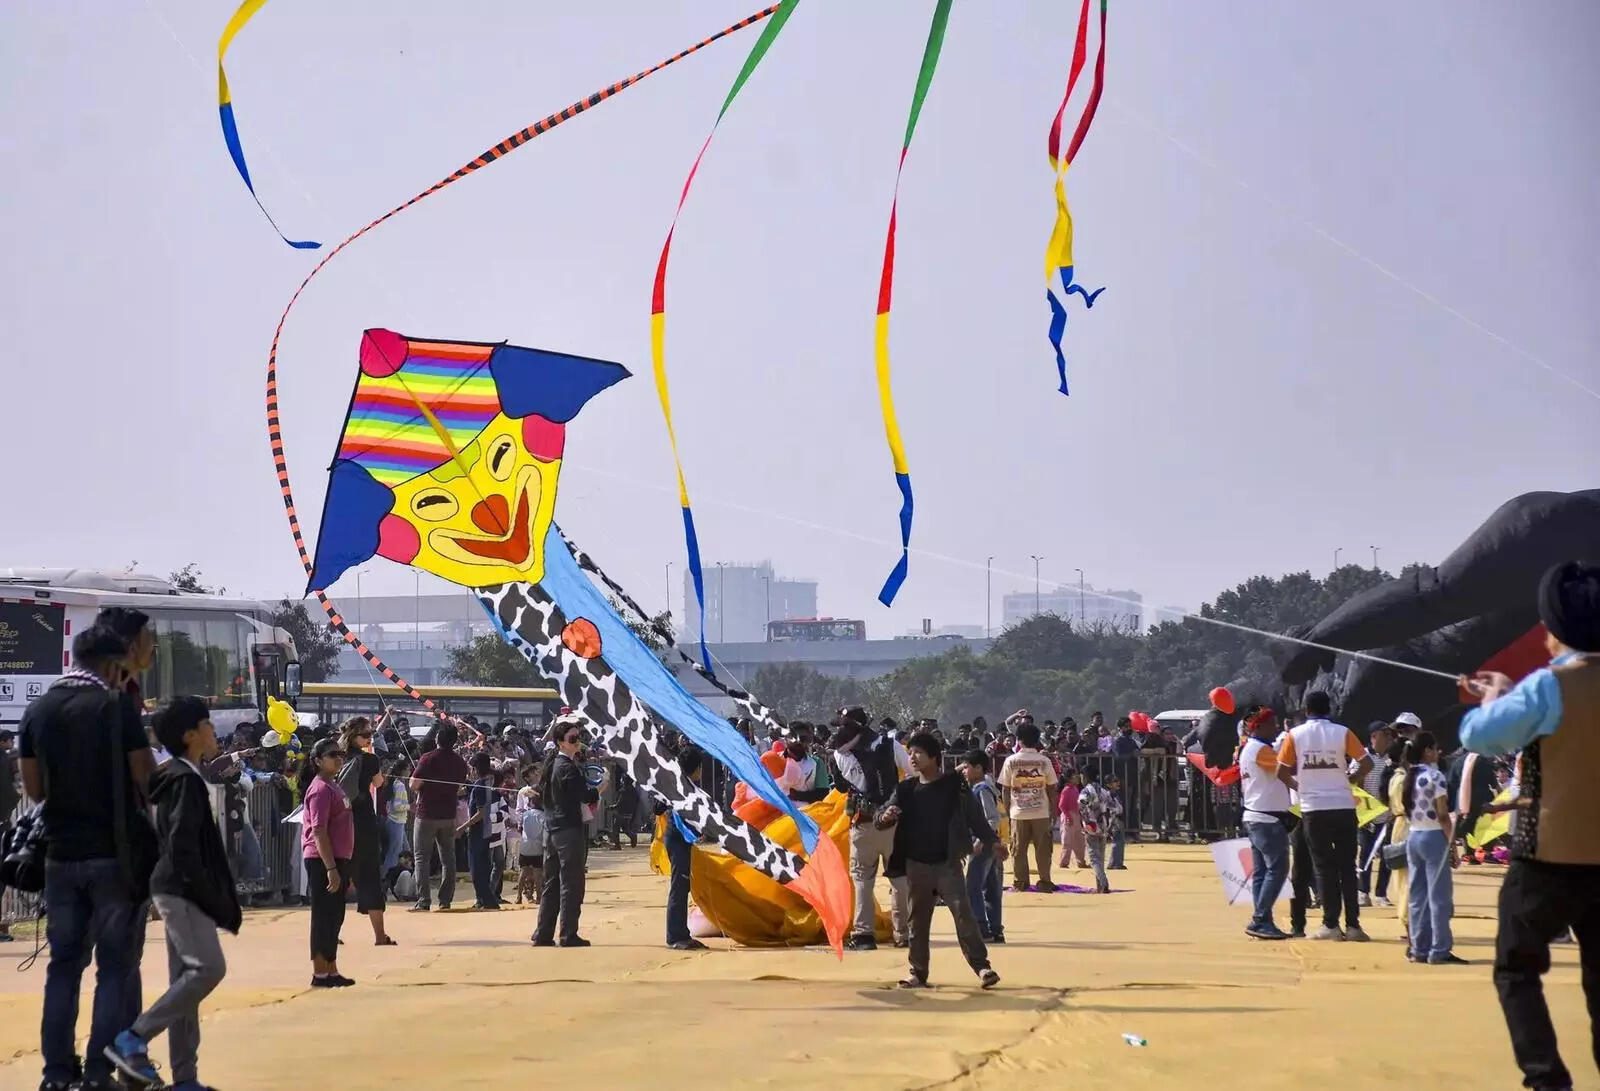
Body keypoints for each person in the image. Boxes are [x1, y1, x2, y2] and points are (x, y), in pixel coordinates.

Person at [1459, 560, 1599, 1091]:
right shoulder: (1546, 685)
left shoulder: (1547, 687)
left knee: (1517, 969)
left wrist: (1495, 694)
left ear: (1557, 628)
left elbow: (1479, 736)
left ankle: (1547, 1079)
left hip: (1548, 857)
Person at [19, 624, 157, 1091]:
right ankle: (98, 1073)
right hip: (113, 856)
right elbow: (146, 778)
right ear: (113, 663)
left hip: (60, 855)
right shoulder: (116, 706)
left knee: (63, 967)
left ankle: (57, 1074)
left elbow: (34, 789)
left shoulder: (39, 710)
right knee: (114, 968)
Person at [104, 697, 241, 1091]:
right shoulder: (183, 779)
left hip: (177, 888)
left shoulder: (184, 775)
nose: (215, 732)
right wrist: (210, 895)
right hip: (181, 890)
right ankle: (133, 1038)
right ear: (190, 735)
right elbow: (182, 845)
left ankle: (186, 1078)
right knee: (208, 969)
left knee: (186, 982)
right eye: (208, 725)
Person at [875, 732, 1000, 990]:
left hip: (947, 864)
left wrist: (993, 841)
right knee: (918, 921)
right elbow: (880, 817)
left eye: (919, 753)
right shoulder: (905, 789)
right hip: (916, 865)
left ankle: (982, 967)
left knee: (963, 915)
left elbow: (975, 816)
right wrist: (885, 816)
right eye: (910, 753)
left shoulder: (953, 787)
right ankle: (918, 973)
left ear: (934, 757)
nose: (913, 758)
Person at [1276, 690, 1372, 941]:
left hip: (1313, 809)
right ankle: (1353, 925)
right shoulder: (1342, 732)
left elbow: (1281, 772)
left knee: (1323, 867)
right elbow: (1367, 762)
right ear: (1329, 709)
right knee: (1347, 867)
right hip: (1343, 805)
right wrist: (1350, 780)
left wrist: (1300, 786)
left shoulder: (1294, 735)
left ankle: (1330, 924)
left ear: (1306, 710)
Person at [828, 708, 909, 951]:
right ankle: (903, 934)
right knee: (899, 879)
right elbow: (913, 770)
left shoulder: (841, 755)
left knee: (863, 879)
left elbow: (847, 785)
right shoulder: (891, 745)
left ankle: (864, 935)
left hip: (864, 823)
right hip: (894, 820)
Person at [532, 716, 598, 947]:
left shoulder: (553, 766)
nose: (577, 741)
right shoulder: (567, 767)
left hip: (552, 829)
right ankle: (568, 933)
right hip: (568, 830)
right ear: (561, 742)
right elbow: (585, 795)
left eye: (578, 737)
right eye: (572, 738)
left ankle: (543, 932)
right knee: (571, 882)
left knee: (551, 882)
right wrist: (598, 790)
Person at [1398, 732, 1463, 965]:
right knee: (1439, 898)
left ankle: (1419, 948)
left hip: (1414, 835)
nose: (1438, 752)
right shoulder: (1435, 776)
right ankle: (1440, 949)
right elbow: (1443, 815)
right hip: (1434, 835)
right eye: (1435, 748)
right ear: (1427, 751)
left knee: (1417, 896)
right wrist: (1453, 845)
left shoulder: (1409, 776)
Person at [299, 738, 355, 987]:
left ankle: (332, 969)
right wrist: (331, 867)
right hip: (322, 859)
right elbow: (319, 831)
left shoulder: (334, 785)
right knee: (323, 916)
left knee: (335, 916)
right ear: (318, 760)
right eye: (333, 755)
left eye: (340, 754)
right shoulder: (320, 788)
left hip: (338, 857)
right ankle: (320, 972)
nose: (338, 758)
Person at [1238, 707, 1294, 940]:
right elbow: (1286, 768)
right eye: (1272, 724)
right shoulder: (1261, 750)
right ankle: (1260, 919)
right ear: (1258, 727)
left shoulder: (1250, 749)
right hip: (1266, 819)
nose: (1276, 728)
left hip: (1256, 817)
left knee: (1262, 873)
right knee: (1278, 869)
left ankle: (1264, 919)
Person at [339, 718, 394, 944]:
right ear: (353, 736)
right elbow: (379, 783)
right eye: (365, 734)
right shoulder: (371, 759)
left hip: (341, 823)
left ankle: (331, 934)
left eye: (370, 733)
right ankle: (380, 935)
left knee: (338, 878)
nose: (369, 737)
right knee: (370, 876)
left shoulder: (336, 757)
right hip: (363, 822)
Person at [409, 721, 468, 912]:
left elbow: (414, 785)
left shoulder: (428, 758)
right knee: (448, 859)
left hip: (426, 814)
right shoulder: (460, 762)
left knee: (421, 858)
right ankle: (445, 900)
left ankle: (424, 900)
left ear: (437, 739)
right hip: (449, 814)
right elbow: (459, 787)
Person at [997, 723, 1059, 892]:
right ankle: (1045, 881)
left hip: (1018, 812)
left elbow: (1006, 788)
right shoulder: (1044, 760)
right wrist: (1053, 810)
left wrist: (1006, 812)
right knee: (1044, 849)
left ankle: (1021, 882)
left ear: (1019, 740)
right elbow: (1052, 787)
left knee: (1018, 849)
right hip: (1041, 811)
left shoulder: (1011, 760)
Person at [662, 743, 709, 951]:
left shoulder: (680, 784)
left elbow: (658, 807)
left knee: (683, 885)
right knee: (679, 886)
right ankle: (675, 936)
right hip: (678, 838)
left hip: (679, 839)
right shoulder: (682, 788)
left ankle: (681, 933)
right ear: (695, 768)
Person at [958, 751, 1008, 943]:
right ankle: (996, 929)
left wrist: (980, 840)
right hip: (993, 843)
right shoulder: (987, 786)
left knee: (973, 885)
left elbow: (992, 818)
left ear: (978, 768)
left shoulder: (981, 789)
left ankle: (981, 927)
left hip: (985, 844)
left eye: (966, 767)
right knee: (991, 887)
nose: (964, 772)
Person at [1357, 723, 1396, 908]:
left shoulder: (1392, 758)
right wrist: (1363, 813)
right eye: (1384, 734)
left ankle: (1381, 894)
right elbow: (1356, 784)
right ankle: (1363, 892)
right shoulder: (1362, 756)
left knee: (1387, 856)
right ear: (1373, 737)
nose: (1388, 737)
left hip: (1386, 815)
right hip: (1367, 816)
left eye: (1390, 734)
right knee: (1365, 854)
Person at [459, 752, 503, 910]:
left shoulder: (479, 787)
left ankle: (488, 900)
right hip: (485, 831)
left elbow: (481, 813)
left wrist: (462, 827)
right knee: (481, 867)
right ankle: (482, 899)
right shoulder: (482, 785)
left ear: (476, 768)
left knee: (477, 869)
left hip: (479, 832)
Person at [1077, 768, 1119, 894]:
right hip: (1104, 825)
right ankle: (1100, 885)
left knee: (1094, 858)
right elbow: (1116, 807)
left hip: (1091, 826)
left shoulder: (1086, 791)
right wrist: (1109, 821)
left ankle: (1104, 883)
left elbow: (1081, 804)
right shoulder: (1104, 791)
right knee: (1100, 857)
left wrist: (1086, 821)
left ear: (1085, 776)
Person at [515, 790, 545, 905]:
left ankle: (518, 897)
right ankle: (538, 897)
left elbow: (519, 828)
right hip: (537, 847)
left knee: (523, 873)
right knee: (538, 874)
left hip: (525, 846)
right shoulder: (543, 816)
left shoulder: (525, 814)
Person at [1057, 769, 1088, 870]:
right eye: (1075, 776)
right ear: (1070, 778)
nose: (1078, 777)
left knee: (1079, 840)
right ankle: (1064, 862)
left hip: (1076, 815)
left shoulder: (1075, 789)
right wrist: (1068, 816)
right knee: (1067, 840)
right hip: (1068, 816)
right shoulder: (1066, 790)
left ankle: (1081, 861)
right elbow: (1061, 805)